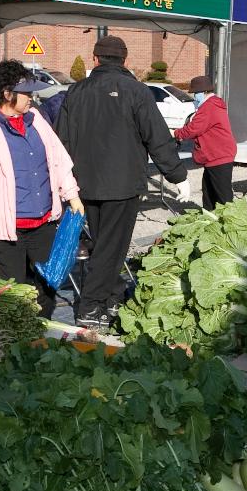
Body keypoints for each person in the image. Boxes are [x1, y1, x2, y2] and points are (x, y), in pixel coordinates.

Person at [58, 34, 189, 328]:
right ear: (126, 61)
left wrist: (64, 181)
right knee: (111, 247)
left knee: (105, 243)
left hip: (85, 184)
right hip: (122, 184)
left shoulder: (76, 91)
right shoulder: (137, 91)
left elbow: (61, 141)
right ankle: (91, 305)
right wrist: (177, 175)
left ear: (95, 59)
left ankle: (112, 295)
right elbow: (156, 137)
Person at [0, 61, 83, 318]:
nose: (31, 98)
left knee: (46, 287)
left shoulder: (36, 118)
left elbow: (57, 158)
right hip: (8, 230)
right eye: (26, 93)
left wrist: (71, 193)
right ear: (7, 94)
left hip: (44, 223)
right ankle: (15, 346)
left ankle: (42, 337)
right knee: (12, 292)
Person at [174, 75, 237, 210]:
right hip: (216, 156)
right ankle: (210, 219)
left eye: (196, 93)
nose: (195, 97)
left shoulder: (209, 106)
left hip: (219, 156)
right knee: (208, 193)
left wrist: (175, 134)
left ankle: (231, 223)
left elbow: (194, 129)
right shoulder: (212, 104)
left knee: (223, 196)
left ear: (203, 92)